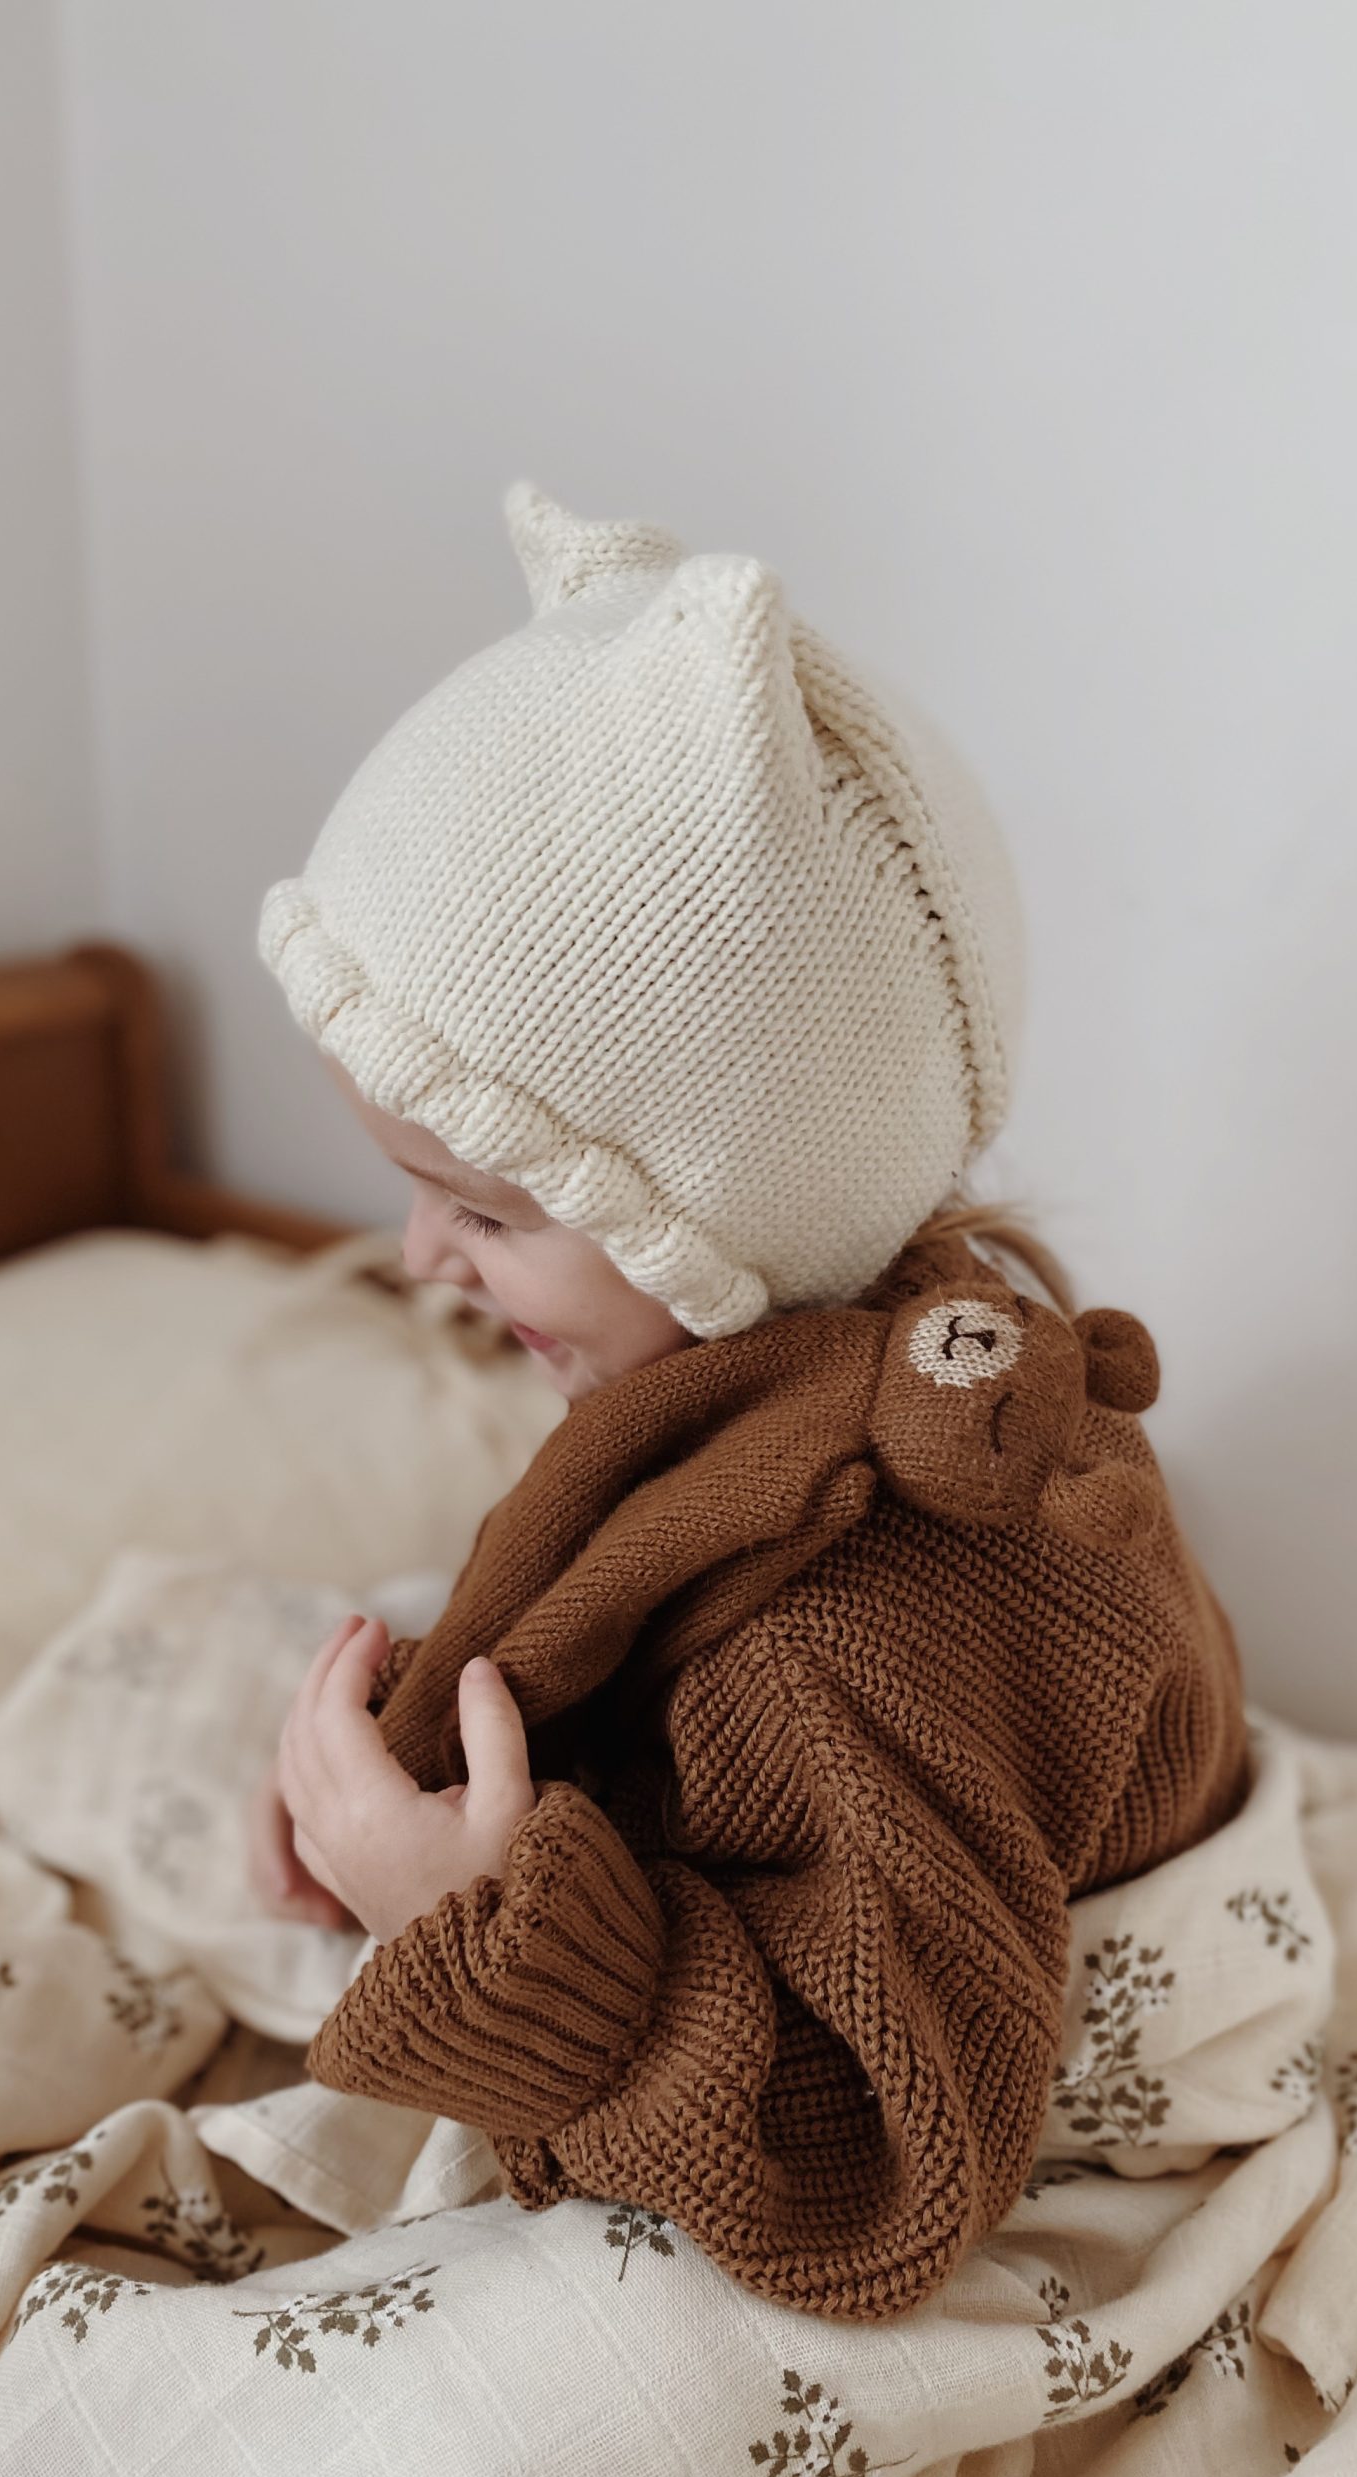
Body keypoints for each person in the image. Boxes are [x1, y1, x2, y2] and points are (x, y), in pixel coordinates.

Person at [245, 480, 1250, 2324]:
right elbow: (664, 1670)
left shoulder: (849, 1616)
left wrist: (483, 1939)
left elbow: (885, 2163)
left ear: (720, 1207)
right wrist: (430, 1783)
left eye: (490, 1206)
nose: (416, 1258)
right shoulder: (850, 1330)